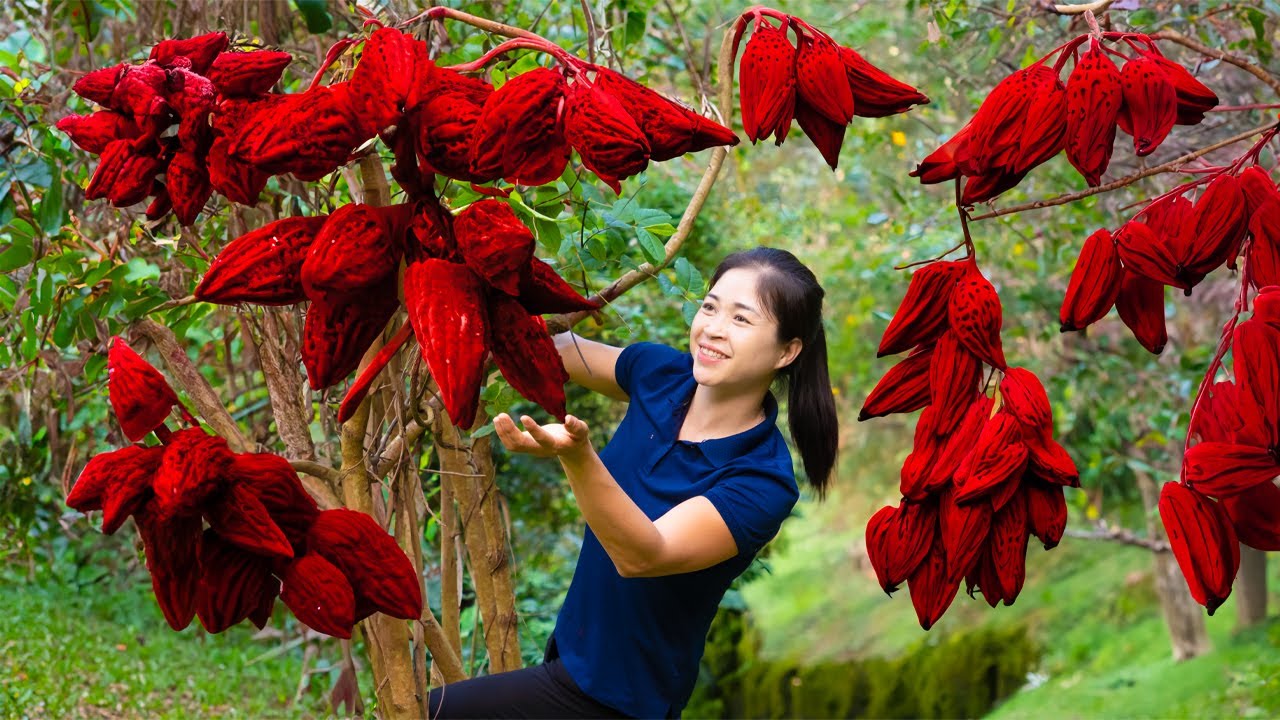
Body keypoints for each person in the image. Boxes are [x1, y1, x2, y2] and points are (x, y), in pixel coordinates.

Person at [426, 246, 838, 719]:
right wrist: (467, 286)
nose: (713, 330)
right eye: (710, 307)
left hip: (620, 701)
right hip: (572, 666)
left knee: (426, 714)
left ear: (787, 351)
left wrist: (577, 456)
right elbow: (552, 351)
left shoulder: (761, 479)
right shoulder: (663, 376)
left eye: (741, 320)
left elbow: (644, 555)